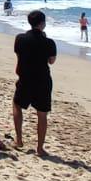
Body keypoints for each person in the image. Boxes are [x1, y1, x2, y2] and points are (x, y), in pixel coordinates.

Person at [13, 10, 57, 156]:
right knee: (42, 114)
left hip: (25, 77)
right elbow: (51, 61)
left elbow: (19, 56)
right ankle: (40, 148)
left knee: (17, 105)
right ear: (42, 23)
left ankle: (19, 139)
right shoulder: (49, 42)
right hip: (42, 79)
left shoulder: (20, 39)